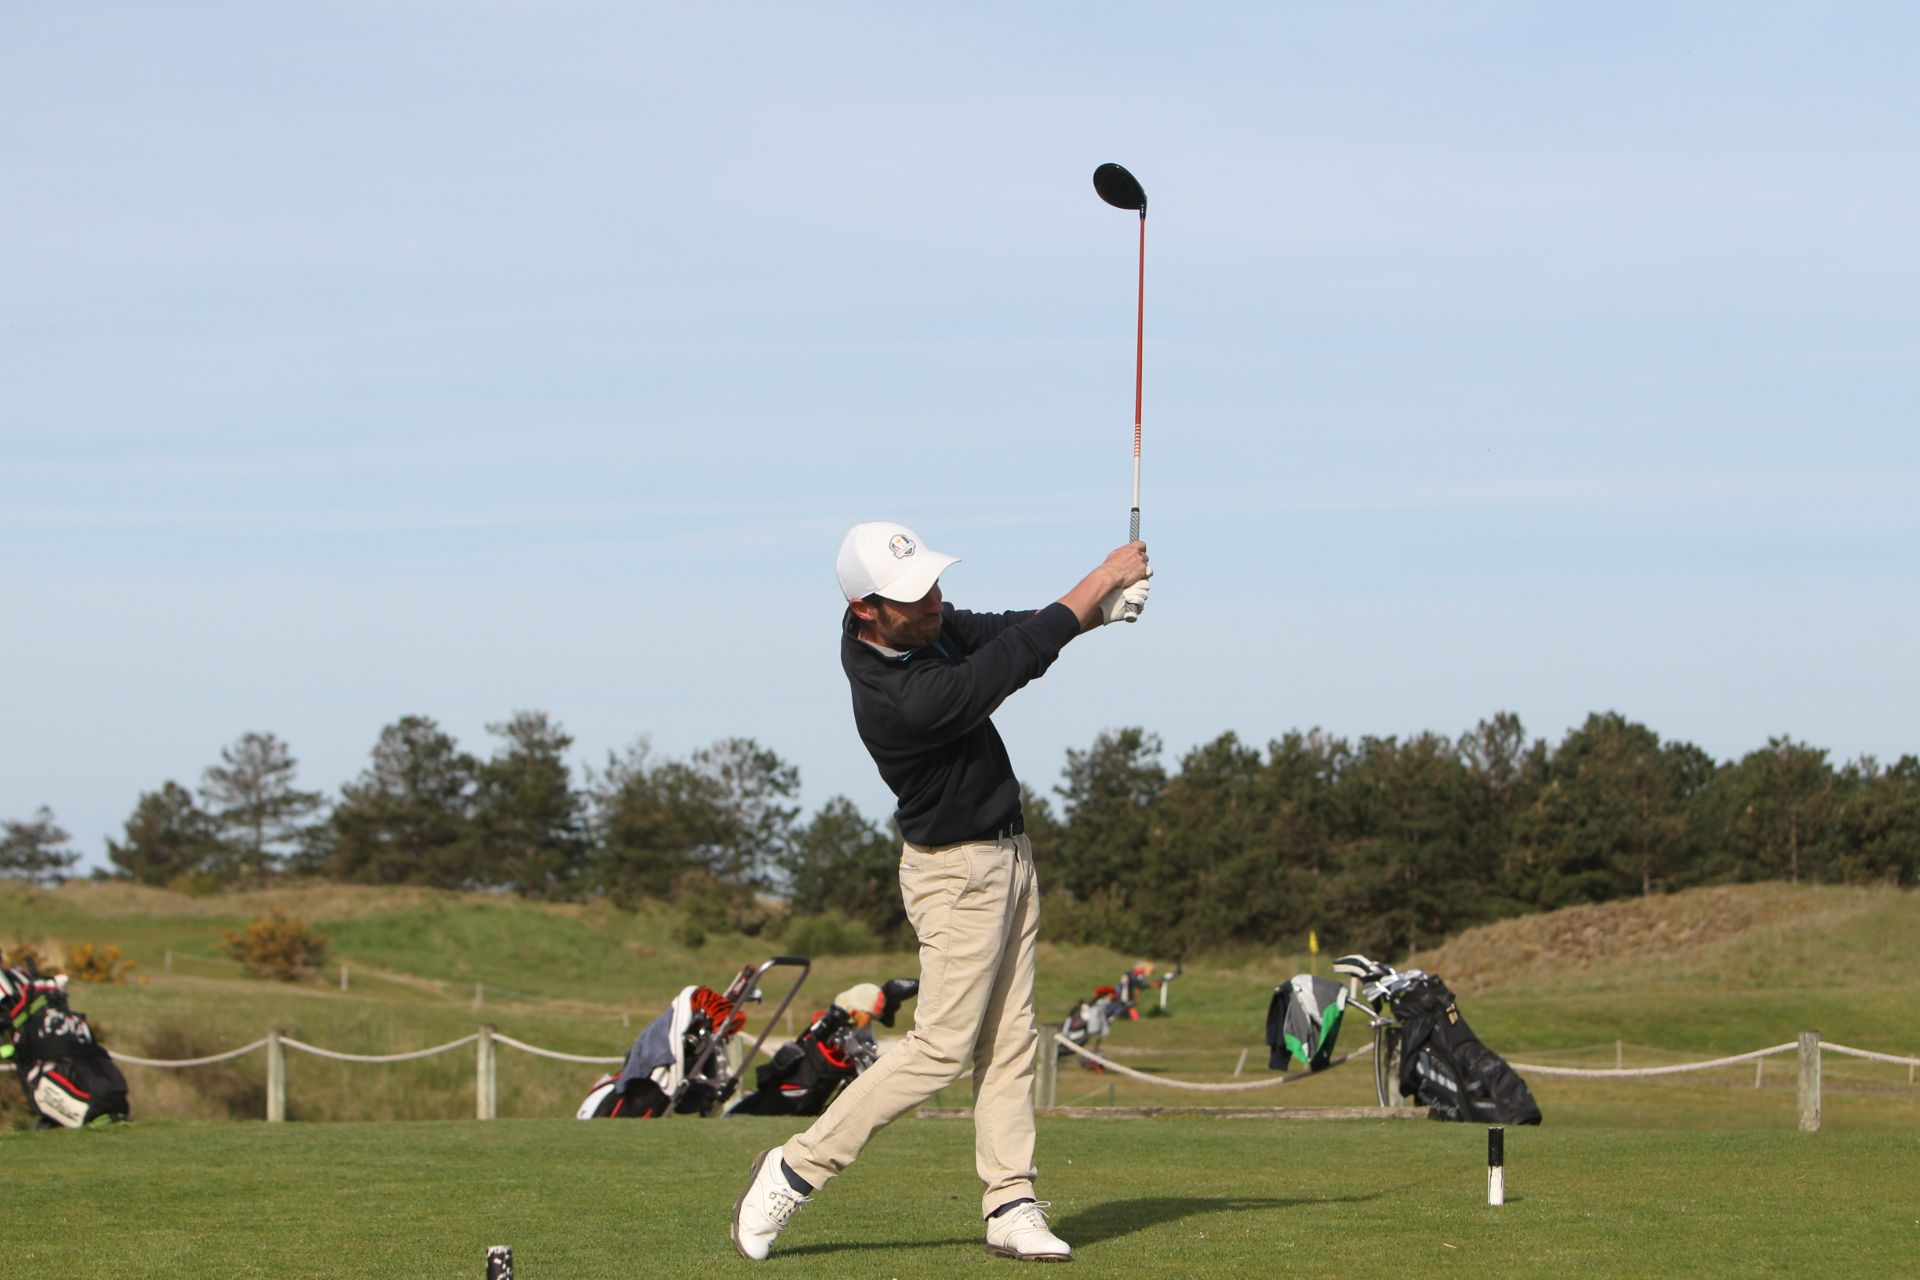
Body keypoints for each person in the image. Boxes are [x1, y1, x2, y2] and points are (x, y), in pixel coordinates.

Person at [731, 521, 1151, 1263]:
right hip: (956, 875)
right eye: (911, 597)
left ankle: (1010, 1203)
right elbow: (1011, 663)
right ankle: (794, 1168)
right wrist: (1102, 579)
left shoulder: (918, 626)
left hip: (1008, 857)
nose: (933, 604)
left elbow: (1008, 630)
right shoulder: (901, 698)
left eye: (931, 586)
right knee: (940, 1049)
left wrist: (1097, 615)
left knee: (1010, 1040)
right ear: (866, 609)